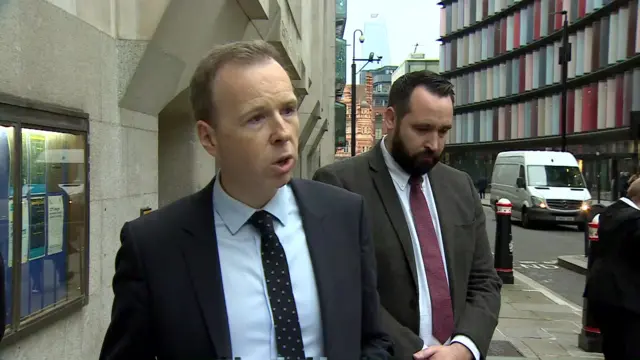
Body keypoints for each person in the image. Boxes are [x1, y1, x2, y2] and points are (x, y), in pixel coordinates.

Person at [99, 40, 393, 360]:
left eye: (288, 110)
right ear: (209, 138)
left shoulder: (345, 215)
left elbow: (374, 340)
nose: (282, 132)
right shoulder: (153, 245)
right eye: (256, 118)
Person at [313, 71, 502, 360]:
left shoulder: (460, 186)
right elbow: (347, 291)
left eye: (443, 131)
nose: (434, 144)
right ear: (390, 119)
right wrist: (417, 353)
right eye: (423, 129)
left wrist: (465, 347)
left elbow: (484, 281)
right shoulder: (339, 185)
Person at [584, 177, 640, 359]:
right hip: (628, 300)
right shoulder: (635, 221)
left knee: (613, 348)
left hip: (601, 293)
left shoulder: (609, 213)